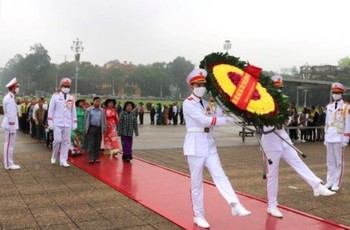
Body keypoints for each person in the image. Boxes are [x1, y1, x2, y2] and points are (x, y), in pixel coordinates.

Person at [183, 69, 251, 229]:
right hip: (194, 145)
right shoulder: (188, 103)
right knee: (196, 183)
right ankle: (198, 215)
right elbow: (204, 121)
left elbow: (217, 115)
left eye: (204, 85)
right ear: (191, 86)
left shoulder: (207, 103)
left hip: (209, 143)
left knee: (220, 175)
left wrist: (220, 97)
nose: (202, 87)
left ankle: (235, 204)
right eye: (198, 84)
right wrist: (226, 120)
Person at [261, 75, 335, 218]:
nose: (279, 91)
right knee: (273, 174)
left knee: (298, 162)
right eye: (276, 88)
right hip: (270, 140)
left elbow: (288, 120)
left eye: (280, 88)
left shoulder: (283, 102)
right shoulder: (262, 102)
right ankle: (272, 205)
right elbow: (262, 123)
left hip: (284, 138)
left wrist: (284, 118)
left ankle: (317, 186)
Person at [324, 82, 350, 191]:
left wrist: (346, 138)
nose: (335, 94)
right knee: (330, 161)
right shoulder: (329, 106)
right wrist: (325, 136)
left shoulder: (346, 106)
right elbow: (327, 122)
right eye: (334, 92)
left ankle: (336, 182)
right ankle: (329, 180)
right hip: (330, 135)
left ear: (341, 93)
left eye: (337, 92)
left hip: (339, 136)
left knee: (339, 161)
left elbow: (348, 123)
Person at [47, 78, 77, 167]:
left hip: (67, 122)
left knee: (66, 142)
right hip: (57, 122)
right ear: (61, 86)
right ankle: (54, 155)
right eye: (65, 86)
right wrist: (50, 123)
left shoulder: (71, 98)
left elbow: (73, 111)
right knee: (57, 140)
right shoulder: (55, 96)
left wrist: (74, 123)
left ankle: (63, 160)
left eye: (68, 86)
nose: (66, 88)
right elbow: (51, 110)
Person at [2, 78, 21, 170]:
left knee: (10, 145)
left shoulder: (11, 97)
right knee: (8, 144)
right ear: (13, 88)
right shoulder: (9, 98)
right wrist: (12, 126)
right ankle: (8, 164)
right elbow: (10, 114)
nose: (17, 89)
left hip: (11, 124)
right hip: (10, 125)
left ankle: (10, 162)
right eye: (17, 87)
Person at [84, 97, 106, 164]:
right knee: (91, 143)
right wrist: (85, 129)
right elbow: (86, 120)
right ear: (93, 102)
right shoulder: (88, 110)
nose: (97, 102)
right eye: (96, 101)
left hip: (99, 128)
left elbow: (104, 120)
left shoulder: (102, 111)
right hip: (91, 128)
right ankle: (91, 158)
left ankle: (96, 157)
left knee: (97, 143)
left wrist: (104, 128)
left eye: (99, 101)